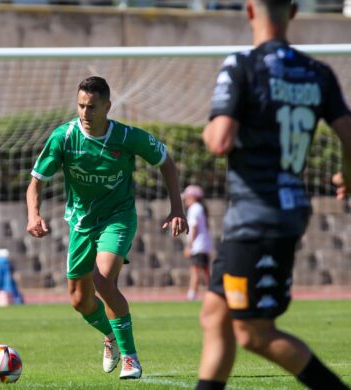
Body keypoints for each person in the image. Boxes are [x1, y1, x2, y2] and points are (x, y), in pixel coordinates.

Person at [196, 0, 351, 388]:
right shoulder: (317, 72)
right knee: (215, 315)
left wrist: (209, 130)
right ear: (294, 11)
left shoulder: (242, 65)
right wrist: (348, 175)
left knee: (255, 334)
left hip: (257, 218)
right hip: (286, 208)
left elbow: (219, 140)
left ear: (249, 10)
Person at [26, 76, 188, 380]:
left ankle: (130, 358)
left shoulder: (127, 138)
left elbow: (166, 161)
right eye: (81, 106)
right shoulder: (64, 137)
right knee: (79, 300)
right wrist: (34, 215)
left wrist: (177, 208)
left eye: (92, 107)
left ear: (107, 107)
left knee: (102, 280)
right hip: (81, 223)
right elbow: (35, 182)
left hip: (118, 217)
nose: (85, 114)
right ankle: (110, 337)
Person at [182, 184, 212, 301]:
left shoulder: (194, 208)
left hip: (198, 245)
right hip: (203, 245)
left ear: (193, 197)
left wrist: (189, 246)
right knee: (204, 270)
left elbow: (193, 228)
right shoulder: (199, 208)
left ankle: (192, 294)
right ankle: (213, 292)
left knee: (195, 270)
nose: (185, 199)